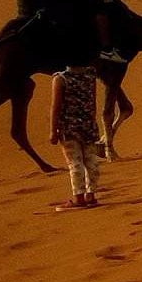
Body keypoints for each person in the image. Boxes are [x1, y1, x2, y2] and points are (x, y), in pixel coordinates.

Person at [49, 63, 103, 210]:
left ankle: (78, 197)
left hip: (69, 128)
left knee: (75, 163)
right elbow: (93, 99)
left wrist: (53, 131)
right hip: (88, 126)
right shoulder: (90, 74)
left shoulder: (61, 79)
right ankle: (91, 195)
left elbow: (56, 106)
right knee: (91, 161)